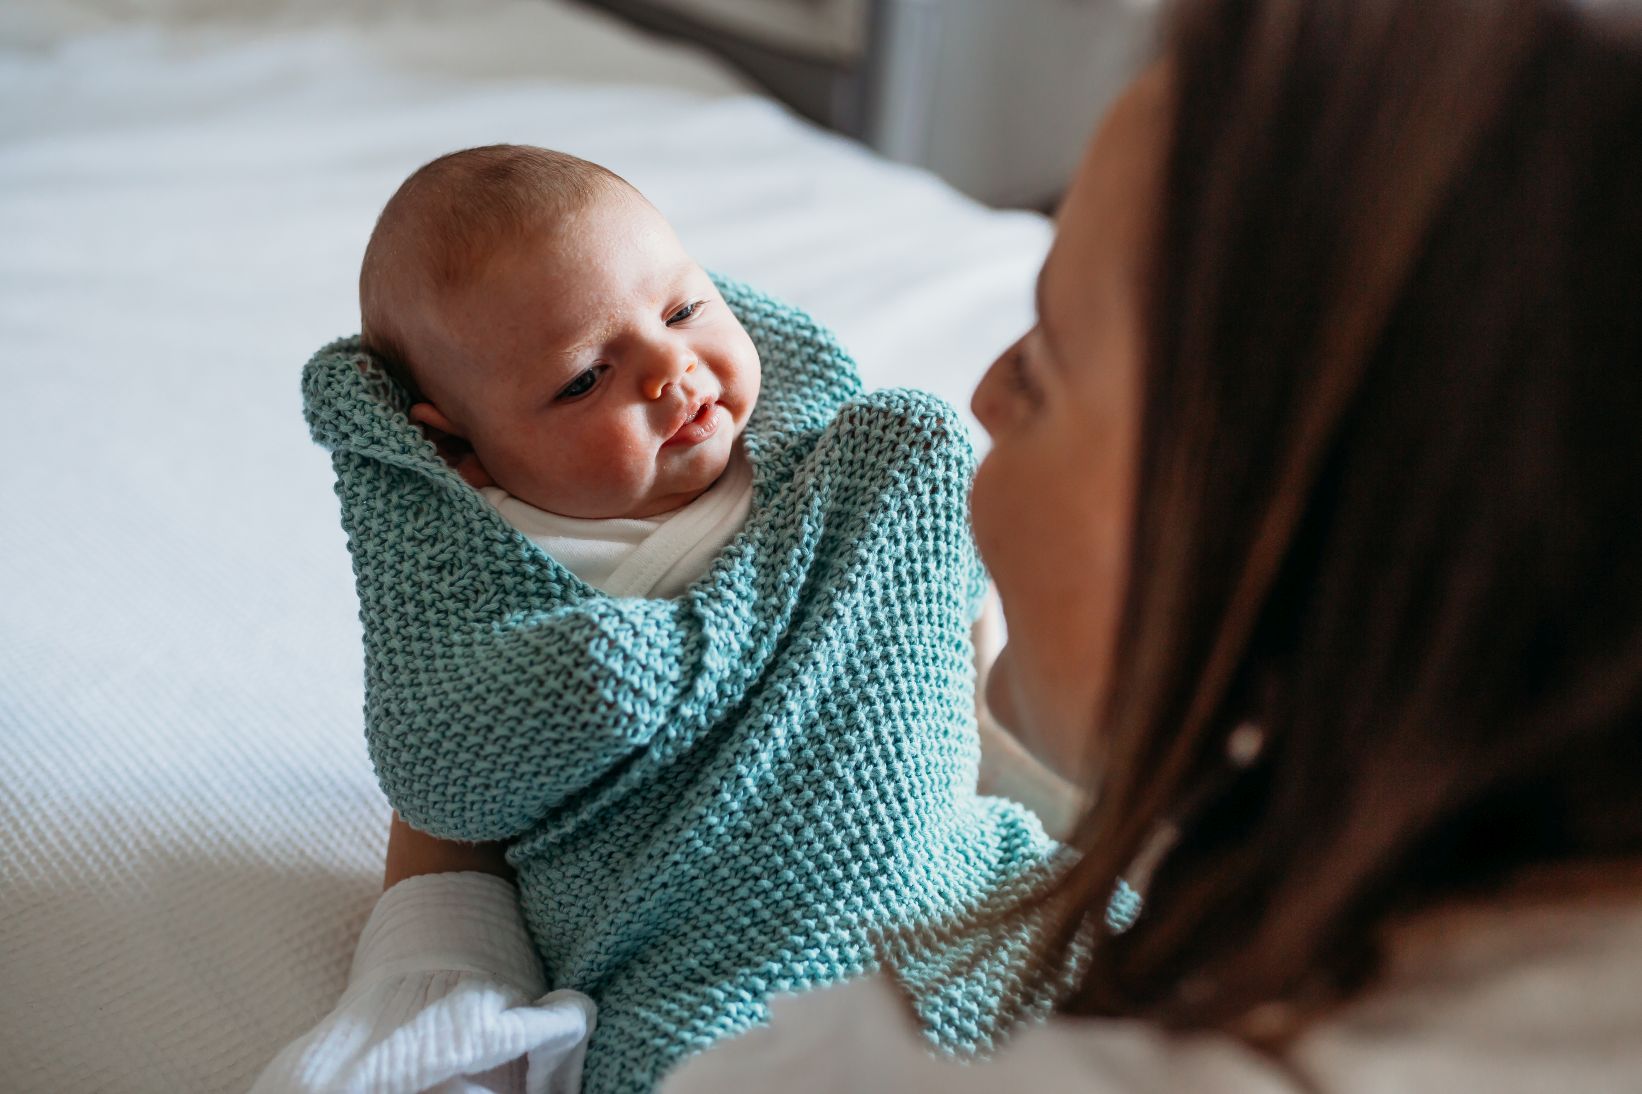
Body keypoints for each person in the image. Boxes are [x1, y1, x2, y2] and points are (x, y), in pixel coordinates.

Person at [259, 0, 1642, 1089]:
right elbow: (463, 740)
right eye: (577, 380)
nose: (972, 398)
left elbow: (929, 687)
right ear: (455, 447)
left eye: (1043, 360)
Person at [277, 145, 1068, 1093]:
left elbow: (926, 632)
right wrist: (601, 678)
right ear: (461, 448)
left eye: (684, 310)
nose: (670, 369)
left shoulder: (817, 466)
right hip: (721, 954)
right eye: (584, 380)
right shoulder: (512, 562)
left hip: (953, 877)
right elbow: (443, 766)